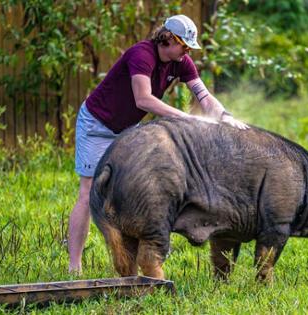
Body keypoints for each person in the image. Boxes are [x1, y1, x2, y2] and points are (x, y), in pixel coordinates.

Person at [68, 15, 248, 274]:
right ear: (169, 39)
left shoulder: (181, 62)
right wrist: (187, 118)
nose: (187, 52)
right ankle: (74, 267)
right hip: (97, 126)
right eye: (184, 46)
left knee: (141, 188)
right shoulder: (141, 55)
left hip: (127, 129)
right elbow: (143, 100)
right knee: (88, 193)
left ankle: (142, 249)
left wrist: (226, 116)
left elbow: (204, 95)